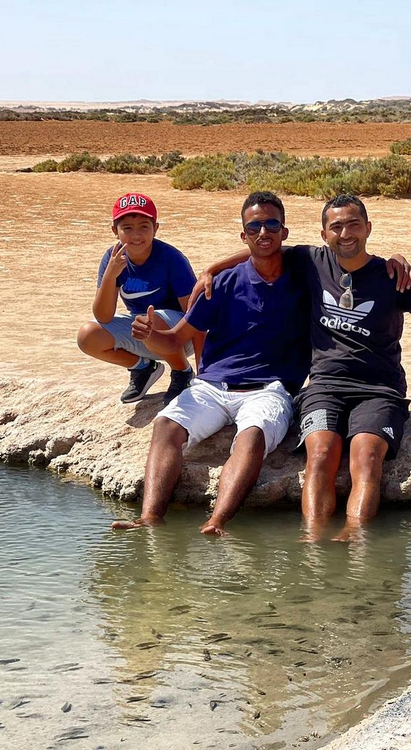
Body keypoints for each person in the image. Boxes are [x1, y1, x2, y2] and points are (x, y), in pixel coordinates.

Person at [110, 192, 310, 536]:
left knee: (252, 436)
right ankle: (150, 518)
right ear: (243, 235)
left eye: (272, 224)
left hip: (269, 390)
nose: (264, 232)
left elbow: (350, 255)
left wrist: (396, 259)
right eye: (254, 226)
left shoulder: (306, 274)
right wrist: (148, 337)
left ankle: (217, 521)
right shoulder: (221, 286)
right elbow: (175, 339)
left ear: (285, 231)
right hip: (212, 386)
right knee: (166, 426)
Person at [295, 195, 411, 541]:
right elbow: (260, 253)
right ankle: (314, 539)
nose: (345, 233)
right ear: (323, 234)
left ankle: (355, 534)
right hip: (324, 388)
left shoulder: (395, 276)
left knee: (366, 456)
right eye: (336, 226)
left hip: (379, 390)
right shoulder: (310, 262)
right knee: (320, 454)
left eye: (353, 224)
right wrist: (212, 271)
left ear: (368, 229)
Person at [76, 193, 200, 405]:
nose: (136, 235)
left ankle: (182, 372)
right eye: (127, 228)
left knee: (149, 320)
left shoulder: (171, 258)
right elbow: (103, 316)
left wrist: (205, 369)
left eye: (144, 226)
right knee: (88, 336)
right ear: (115, 231)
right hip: (142, 331)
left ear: (156, 228)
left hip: (177, 338)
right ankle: (143, 368)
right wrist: (110, 274)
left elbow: (196, 316)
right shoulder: (112, 258)